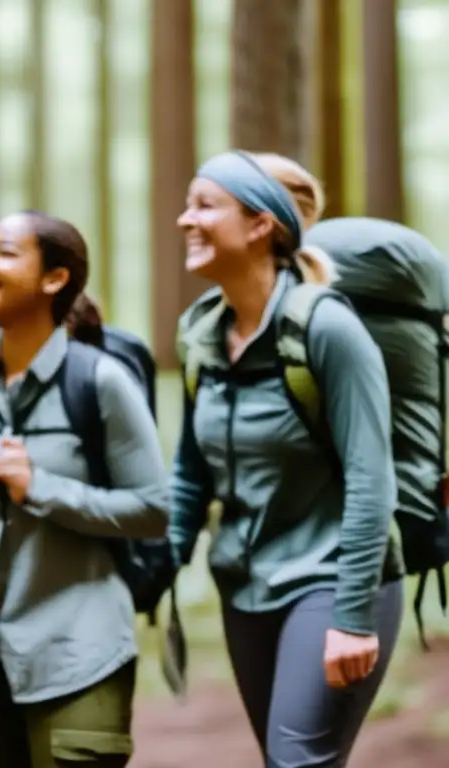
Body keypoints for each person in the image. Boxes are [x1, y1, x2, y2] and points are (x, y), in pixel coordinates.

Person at [0, 210, 170, 768]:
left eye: (4, 252)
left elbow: (153, 510)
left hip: (79, 652)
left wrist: (41, 488)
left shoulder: (99, 381)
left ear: (55, 279)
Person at [170, 151, 403, 766]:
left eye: (204, 206)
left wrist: (353, 617)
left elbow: (371, 480)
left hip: (332, 581)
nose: (183, 220)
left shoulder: (327, 329)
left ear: (259, 225)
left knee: (299, 762)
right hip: (246, 588)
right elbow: (191, 474)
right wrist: (156, 566)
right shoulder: (201, 334)